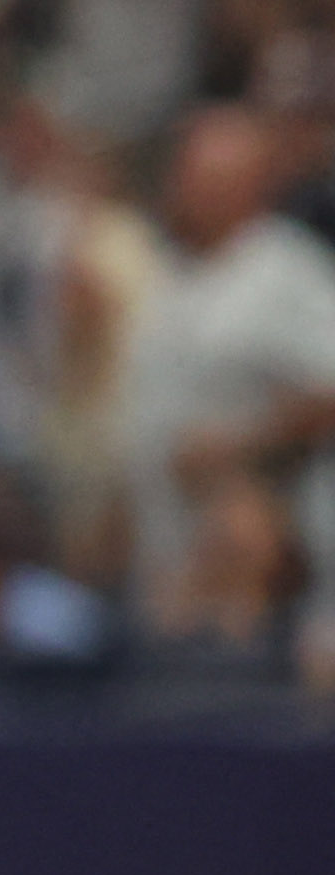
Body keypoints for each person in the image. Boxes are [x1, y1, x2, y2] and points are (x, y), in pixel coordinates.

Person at [114, 105, 335, 664]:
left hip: (265, 578)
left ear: (249, 184)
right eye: (184, 173)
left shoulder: (284, 268)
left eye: (204, 176)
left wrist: (242, 444)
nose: (185, 188)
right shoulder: (171, 270)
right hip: (167, 565)